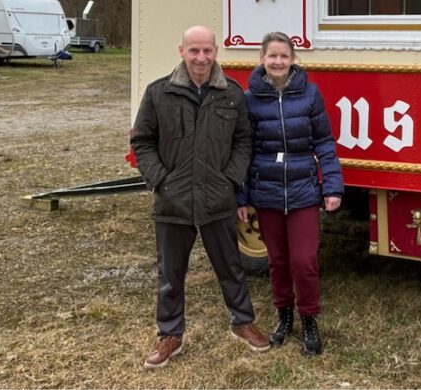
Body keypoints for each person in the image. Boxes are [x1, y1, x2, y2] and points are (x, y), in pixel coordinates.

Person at [131, 25, 270, 369]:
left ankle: (242, 322)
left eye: (207, 50)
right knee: (170, 274)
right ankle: (170, 334)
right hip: (172, 202)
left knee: (231, 268)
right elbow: (142, 142)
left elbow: (244, 142)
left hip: (217, 198)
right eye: (194, 51)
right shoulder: (158, 93)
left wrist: (230, 179)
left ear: (216, 52)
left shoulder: (231, 94)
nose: (201, 58)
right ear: (181, 51)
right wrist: (160, 180)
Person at [237, 31, 344, 355]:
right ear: (262, 60)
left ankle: (309, 318)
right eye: (273, 56)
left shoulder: (310, 94)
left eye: (284, 56)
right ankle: (284, 316)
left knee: (304, 260)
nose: (278, 62)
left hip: (302, 188)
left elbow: (324, 142)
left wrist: (333, 185)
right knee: (279, 261)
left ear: (293, 59)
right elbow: (244, 148)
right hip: (266, 188)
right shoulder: (249, 98)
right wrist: (241, 197)